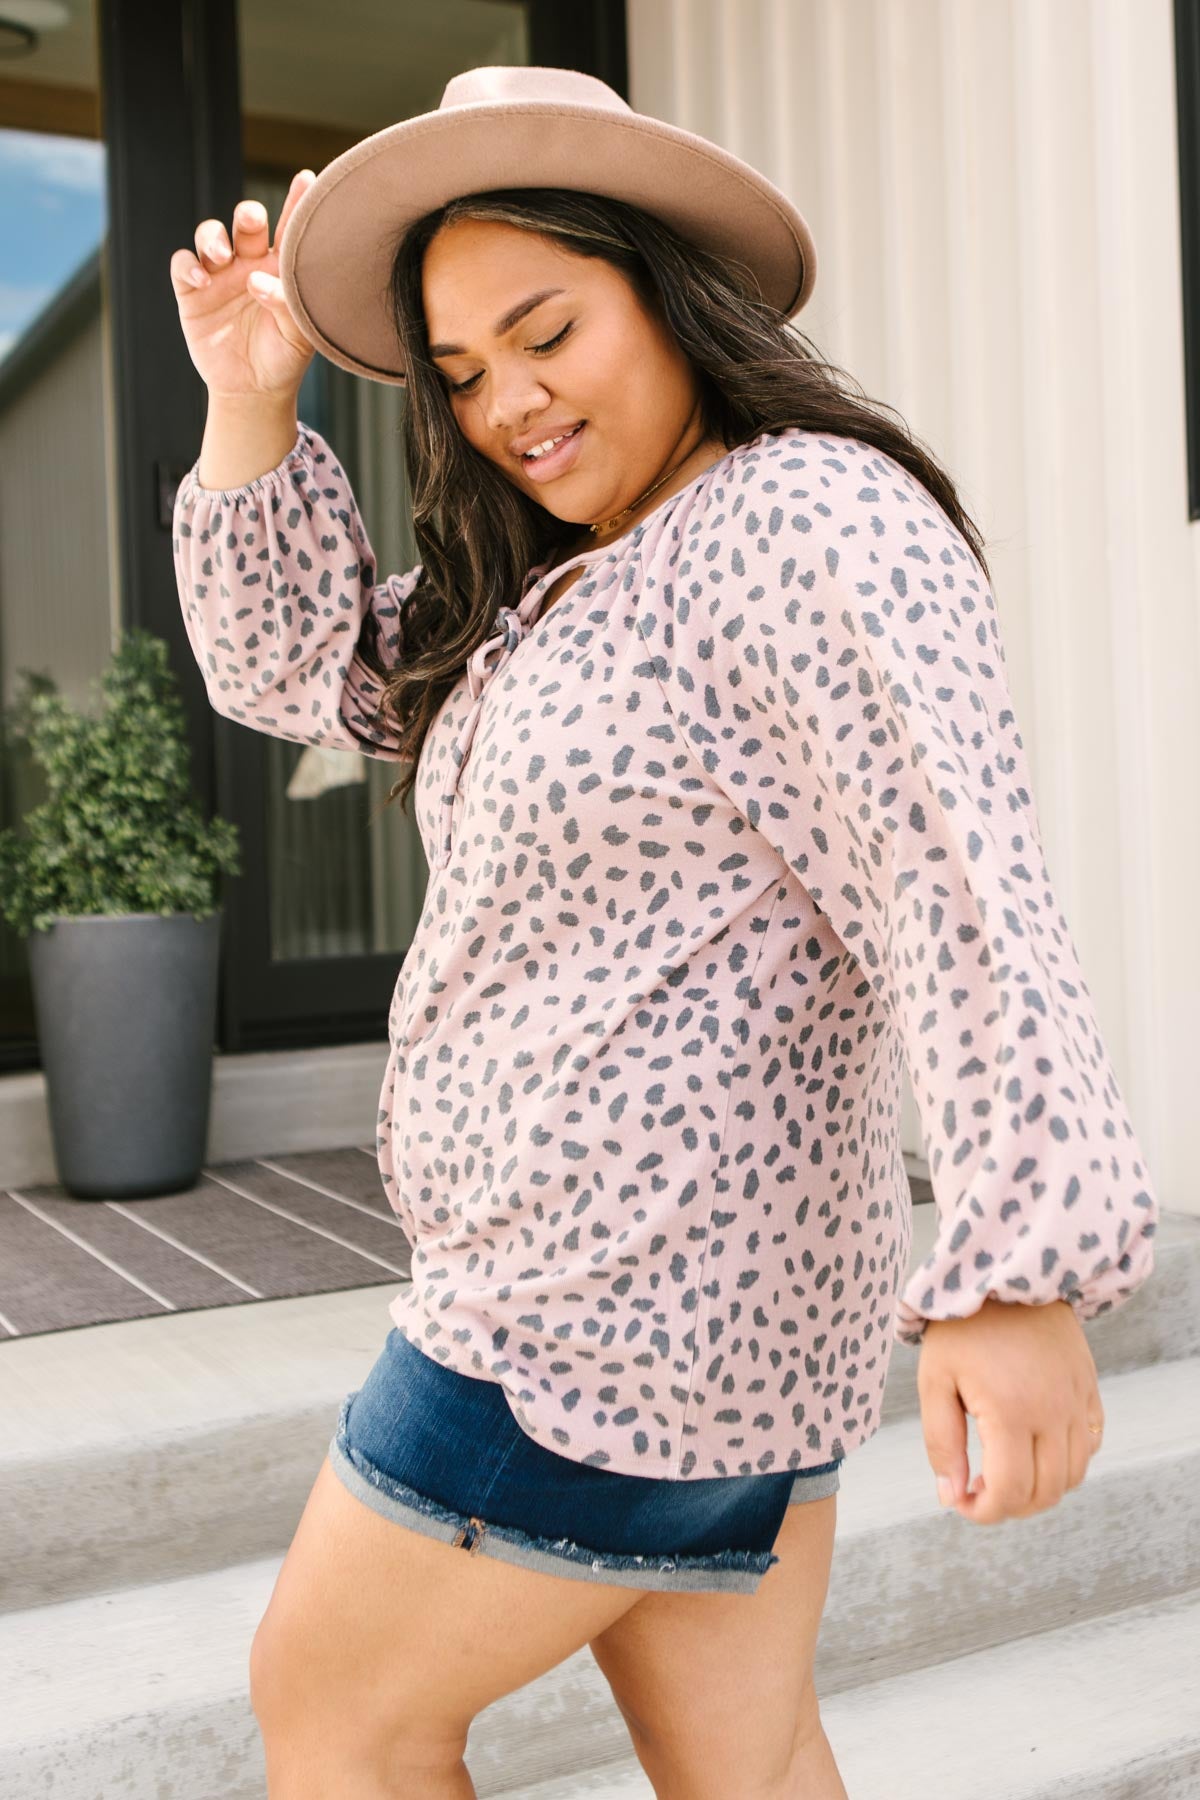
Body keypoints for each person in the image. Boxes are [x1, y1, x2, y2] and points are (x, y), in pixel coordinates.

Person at [169, 64, 1159, 1800]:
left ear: (669, 288)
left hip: (591, 1307)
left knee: (333, 1712)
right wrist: (252, 402)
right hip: (704, 1320)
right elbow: (295, 671)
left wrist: (1016, 1271)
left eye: (547, 331)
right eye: (460, 373)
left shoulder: (795, 516)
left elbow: (955, 875)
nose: (509, 404)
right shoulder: (551, 584)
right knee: (745, 1762)